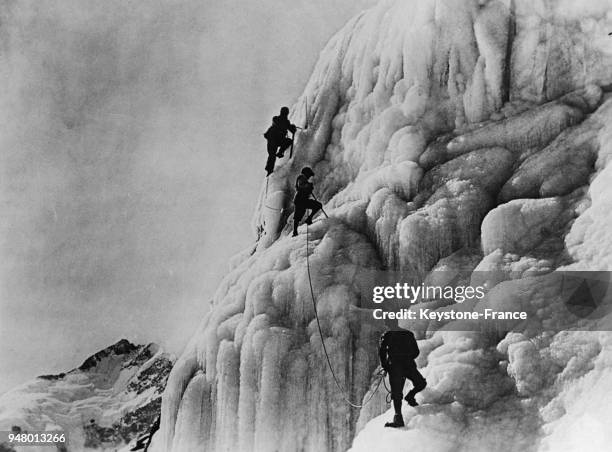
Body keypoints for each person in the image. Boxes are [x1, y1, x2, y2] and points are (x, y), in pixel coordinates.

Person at [379, 328, 427, 428]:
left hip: (396, 367)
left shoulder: (387, 334)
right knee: (421, 383)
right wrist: (407, 358)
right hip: (407, 365)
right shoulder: (408, 334)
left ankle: (399, 416)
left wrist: (386, 366)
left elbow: (382, 352)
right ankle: (402, 411)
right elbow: (416, 352)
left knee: (396, 393)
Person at [264, 106, 297, 176]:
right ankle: (280, 152)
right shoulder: (285, 121)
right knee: (288, 141)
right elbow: (291, 129)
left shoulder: (276, 119)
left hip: (271, 140)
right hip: (277, 140)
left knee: (271, 155)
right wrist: (293, 128)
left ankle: (269, 170)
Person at [293, 167, 322, 237]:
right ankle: (295, 231)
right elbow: (301, 186)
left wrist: (309, 187)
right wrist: (308, 186)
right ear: (306, 173)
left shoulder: (304, 179)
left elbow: (303, 187)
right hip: (300, 200)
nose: (309, 176)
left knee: (298, 216)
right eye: (309, 175)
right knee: (298, 215)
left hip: (302, 200)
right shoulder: (302, 177)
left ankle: (308, 220)